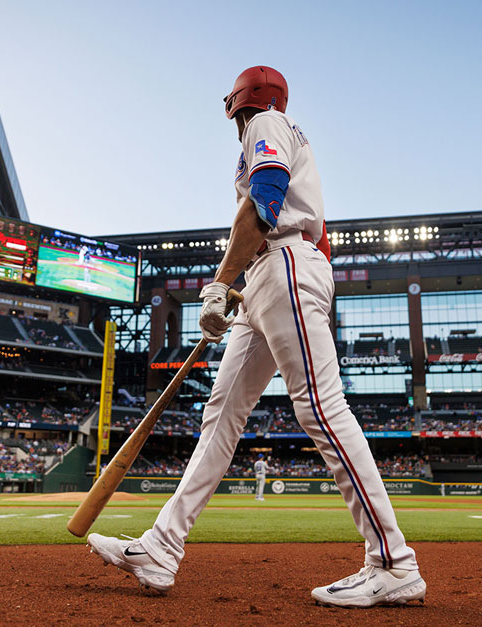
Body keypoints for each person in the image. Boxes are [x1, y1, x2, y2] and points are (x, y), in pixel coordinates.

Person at [87, 65, 425, 608]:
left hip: (284, 263)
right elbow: (295, 226)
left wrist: (223, 282)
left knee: (319, 406)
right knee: (219, 416)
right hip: (273, 273)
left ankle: (392, 562)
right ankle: (161, 548)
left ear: (237, 101)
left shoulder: (264, 122)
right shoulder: (280, 131)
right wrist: (245, 289)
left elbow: (266, 199)